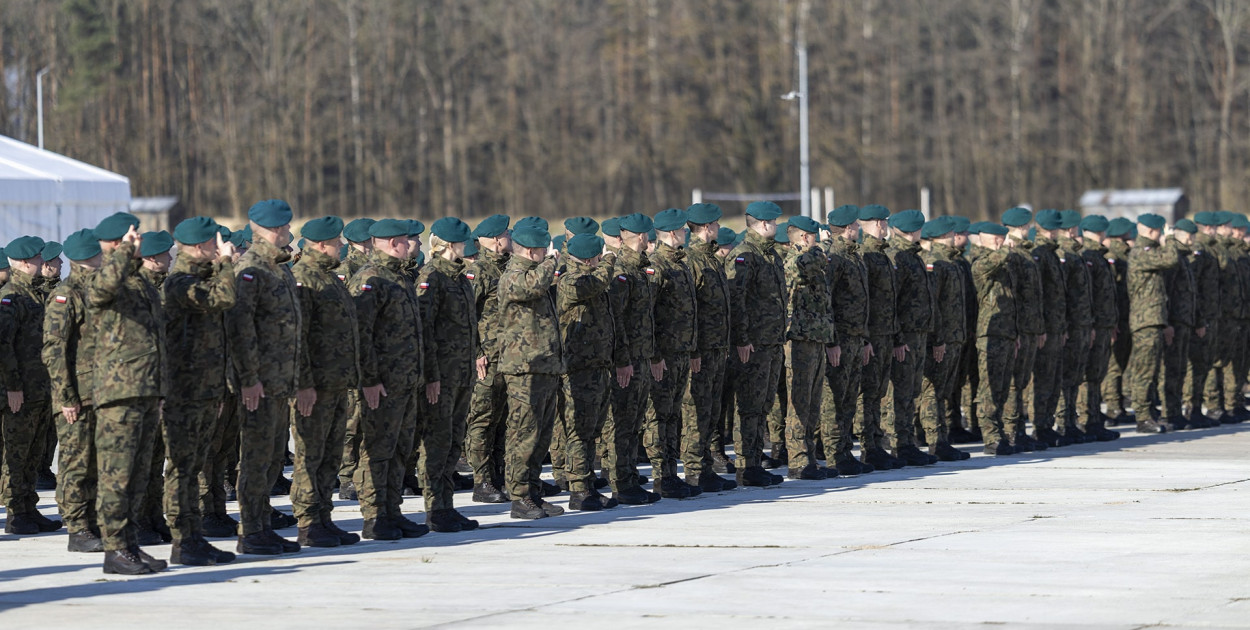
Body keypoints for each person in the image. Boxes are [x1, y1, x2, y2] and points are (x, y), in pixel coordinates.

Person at [87, 213, 167, 574]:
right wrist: (122, 252)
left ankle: (130, 544)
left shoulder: (140, 282)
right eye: (133, 237)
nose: (140, 242)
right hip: (118, 393)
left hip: (146, 389)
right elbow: (101, 291)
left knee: (137, 475)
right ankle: (115, 549)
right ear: (117, 243)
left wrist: (161, 388)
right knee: (116, 475)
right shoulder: (101, 276)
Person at [226, 200, 302, 555]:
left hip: (280, 380)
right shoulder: (251, 268)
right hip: (260, 382)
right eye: (284, 227)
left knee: (272, 457)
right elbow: (241, 328)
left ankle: (263, 523)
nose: (288, 232)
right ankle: (251, 530)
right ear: (271, 230)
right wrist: (249, 378)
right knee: (256, 457)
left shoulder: (278, 267)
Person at [161, 217, 239, 565]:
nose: (219, 248)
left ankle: (193, 535)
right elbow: (224, 297)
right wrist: (226, 263)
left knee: (195, 465)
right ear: (198, 247)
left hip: (204, 390)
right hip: (183, 391)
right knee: (182, 467)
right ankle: (183, 538)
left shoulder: (197, 279)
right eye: (213, 243)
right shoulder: (180, 282)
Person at [349, 219, 428, 540]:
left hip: (405, 381)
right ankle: (374, 515)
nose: (412, 245)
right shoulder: (371, 278)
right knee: (377, 449)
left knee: (400, 449)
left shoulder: (399, 276)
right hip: (382, 383)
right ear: (395, 243)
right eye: (408, 240)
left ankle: (392, 510)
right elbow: (360, 334)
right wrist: (369, 379)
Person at [290, 216, 362, 548]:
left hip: (335, 382)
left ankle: (323, 517)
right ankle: (307, 522)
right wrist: (303, 383)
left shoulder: (328, 277)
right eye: (337, 242)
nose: (342, 246)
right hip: (314, 386)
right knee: (310, 455)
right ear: (321, 245)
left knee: (330, 454)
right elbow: (298, 337)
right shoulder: (303, 278)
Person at [497, 227, 566, 519]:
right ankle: (519, 496)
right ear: (530, 251)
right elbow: (532, 286)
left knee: (541, 435)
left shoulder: (534, 273)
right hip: (523, 368)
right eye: (542, 251)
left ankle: (534, 491)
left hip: (544, 366)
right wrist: (552, 261)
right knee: (524, 434)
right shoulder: (514, 275)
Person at [416, 217, 479, 533]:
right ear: (450, 245)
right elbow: (425, 330)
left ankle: (447, 506)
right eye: (463, 241)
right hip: (441, 377)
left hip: (461, 374)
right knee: (437, 443)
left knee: (454, 442)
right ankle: (435, 508)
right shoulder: (433, 277)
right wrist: (431, 375)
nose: (467, 247)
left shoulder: (460, 277)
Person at [42, 229, 104, 552]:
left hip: (98, 392)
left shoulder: (97, 290)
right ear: (88, 257)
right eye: (99, 253)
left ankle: (91, 521)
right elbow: (54, 349)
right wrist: (66, 396)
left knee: (93, 461)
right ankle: (77, 528)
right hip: (75, 395)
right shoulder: (66, 295)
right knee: (75, 463)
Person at [556, 232, 622, 510]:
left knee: (591, 429)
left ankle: (587, 484)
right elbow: (593, 284)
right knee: (579, 431)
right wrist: (609, 260)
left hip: (597, 365)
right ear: (589, 259)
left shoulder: (590, 278)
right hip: (577, 368)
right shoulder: (570, 279)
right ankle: (579, 490)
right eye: (596, 257)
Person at [725, 201, 787, 487]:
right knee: (750, 406)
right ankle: (746, 466)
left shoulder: (769, 254)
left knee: (763, 405)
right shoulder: (744, 255)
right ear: (763, 224)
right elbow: (736, 300)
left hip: (771, 342)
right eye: (774, 221)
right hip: (753, 344)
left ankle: (754, 461)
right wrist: (742, 339)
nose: (776, 225)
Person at [2, 235, 60, 536]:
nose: (43, 261)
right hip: (21, 392)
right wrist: (13, 387)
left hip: (40, 389)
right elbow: (4, 345)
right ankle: (16, 513)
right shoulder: (11, 296)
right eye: (38, 257)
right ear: (25, 263)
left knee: (35, 455)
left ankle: (29, 508)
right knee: (17, 455)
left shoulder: (34, 293)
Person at [605, 213, 664, 502]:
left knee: (634, 422)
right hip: (628, 360)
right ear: (641, 236)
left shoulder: (639, 268)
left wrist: (651, 355)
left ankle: (629, 479)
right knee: (623, 423)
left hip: (641, 357)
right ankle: (621, 483)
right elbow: (616, 320)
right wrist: (622, 360)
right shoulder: (622, 270)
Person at [646, 208, 703, 497]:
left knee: (672, 415)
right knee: (659, 415)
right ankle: (661, 475)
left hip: (681, 351)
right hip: (665, 355)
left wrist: (692, 348)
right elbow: (649, 315)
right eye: (682, 230)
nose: (685, 233)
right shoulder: (656, 266)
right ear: (671, 233)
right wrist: (655, 355)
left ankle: (671, 473)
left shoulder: (680, 264)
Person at [680, 204, 738, 491]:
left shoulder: (711, 259)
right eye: (715, 224)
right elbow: (688, 310)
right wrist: (693, 350)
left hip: (716, 347)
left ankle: (705, 466)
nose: (717, 228)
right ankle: (693, 470)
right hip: (701, 350)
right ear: (705, 227)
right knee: (696, 411)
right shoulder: (692, 260)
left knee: (711, 411)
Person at [820, 205, 875, 475]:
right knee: (835, 399)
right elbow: (826, 300)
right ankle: (833, 454)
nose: (859, 229)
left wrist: (864, 339)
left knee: (850, 398)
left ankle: (844, 450)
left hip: (855, 338)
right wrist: (831, 342)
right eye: (855, 225)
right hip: (840, 339)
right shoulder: (835, 257)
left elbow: (861, 303)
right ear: (847, 228)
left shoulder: (854, 256)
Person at [883, 209, 938, 466]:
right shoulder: (897, 256)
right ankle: (898, 443)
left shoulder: (912, 256)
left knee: (911, 390)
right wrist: (898, 338)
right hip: (905, 335)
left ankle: (906, 442)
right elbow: (892, 301)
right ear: (914, 230)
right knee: (900, 391)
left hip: (917, 334)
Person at [464, 214, 512, 503]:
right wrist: (477, 353)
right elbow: (466, 315)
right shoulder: (479, 271)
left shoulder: (506, 268)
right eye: (507, 234)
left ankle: (498, 477)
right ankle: (481, 481)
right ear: (495, 239)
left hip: (508, 357)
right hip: (488, 359)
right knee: (483, 419)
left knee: (503, 419)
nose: (510, 237)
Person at [918, 217, 970, 461]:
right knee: (933, 392)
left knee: (943, 392)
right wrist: (937, 339)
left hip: (954, 337)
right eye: (951, 233)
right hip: (942, 339)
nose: (955, 236)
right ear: (944, 235)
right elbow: (933, 305)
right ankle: (935, 441)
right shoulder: (935, 263)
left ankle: (941, 438)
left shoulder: (951, 262)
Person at [857, 205, 905, 470]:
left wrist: (896, 336)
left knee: (878, 392)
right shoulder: (866, 254)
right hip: (873, 335)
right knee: (868, 393)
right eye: (884, 222)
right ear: (877, 224)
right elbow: (862, 301)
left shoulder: (882, 254)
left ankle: (876, 443)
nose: (886, 226)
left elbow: (891, 301)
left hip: (886, 334)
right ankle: (868, 447)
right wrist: (865, 338)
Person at [1125, 213, 1179, 433]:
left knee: (1152, 371)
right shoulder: (1142, 252)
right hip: (1145, 321)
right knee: (1144, 372)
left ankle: (1149, 414)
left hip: (1153, 320)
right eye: (1160, 231)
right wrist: (1171, 239)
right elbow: (1171, 259)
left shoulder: (1149, 251)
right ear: (1151, 231)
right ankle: (1143, 418)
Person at [968, 222, 1018, 456]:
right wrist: (1006, 249)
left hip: (1006, 332)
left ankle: (1001, 432)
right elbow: (990, 263)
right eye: (998, 238)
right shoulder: (980, 261)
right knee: (988, 387)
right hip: (989, 334)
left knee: (1002, 387)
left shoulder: (1003, 263)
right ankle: (990, 436)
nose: (1002, 242)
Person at [335, 217, 376, 501]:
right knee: (352, 422)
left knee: (366, 420)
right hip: (353, 357)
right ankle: (346, 476)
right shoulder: (347, 269)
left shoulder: (372, 267)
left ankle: (361, 473)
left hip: (368, 356)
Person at [1001, 207, 1048, 452]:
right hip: (1020, 327)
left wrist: (1038, 327)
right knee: (1013, 382)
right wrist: (1016, 330)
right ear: (1021, 227)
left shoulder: (1025, 253)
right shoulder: (1013, 254)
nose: (1029, 229)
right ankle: (1011, 431)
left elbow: (1035, 297)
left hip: (1030, 326)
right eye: (1026, 225)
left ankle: (1019, 429)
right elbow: (1014, 296)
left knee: (1021, 381)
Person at [1025, 209, 1070, 447]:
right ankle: (1040, 426)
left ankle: (1047, 424)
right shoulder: (1039, 254)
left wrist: (1062, 326)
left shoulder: (1051, 253)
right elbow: (1037, 295)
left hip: (1056, 326)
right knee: (1043, 378)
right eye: (1057, 228)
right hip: (1046, 327)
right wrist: (1041, 327)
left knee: (1053, 378)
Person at [1075, 215, 1122, 441]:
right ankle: (1087, 419)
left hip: (1103, 324)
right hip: (1094, 325)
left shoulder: (1098, 256)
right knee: (1089, 374)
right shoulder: (1088, 256)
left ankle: (1094, 418)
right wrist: (1092, 325)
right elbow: (1088, 296)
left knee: (1097, 373)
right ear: (1101, 232)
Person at [1054, 209, 1095, 442]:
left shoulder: (1074, 254)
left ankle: (1070, 420)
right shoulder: (1063, 255)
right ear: (1070, 230)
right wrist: (1065, 325)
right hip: (1069, 325)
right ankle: (1062, 422)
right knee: (1065, 375)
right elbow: (1062, 295)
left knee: (1075, 375)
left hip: (1080, 324)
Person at [1162, 219, 1199, 430]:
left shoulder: (1184, 258)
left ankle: (1175, 412)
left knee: (1180, 369)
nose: (1192, 239)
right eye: (1189, 235)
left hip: (1185, 321)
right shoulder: (1173, 257)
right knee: (1171, 369)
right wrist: (1166, 323)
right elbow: (1165, 292)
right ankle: (1168, 413)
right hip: (1174, 322)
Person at [1187, 212, 1223, 428]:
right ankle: (1192, 409)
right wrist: (1199, 319)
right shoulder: (1198, 251)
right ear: (1206, 228)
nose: (1216, 231)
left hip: (1210, 315)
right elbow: (1194, 288)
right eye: (1214, 227)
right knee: (1198, 364)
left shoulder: (1209, 249)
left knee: (1206, 363)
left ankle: (1198, 408)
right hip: (1200, 317)